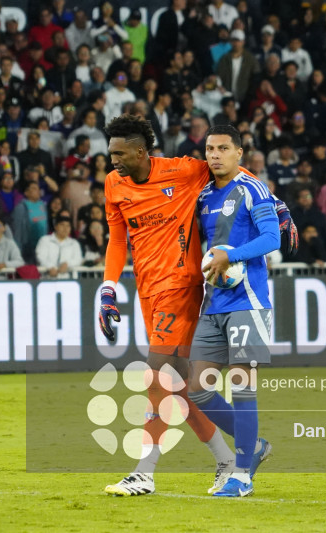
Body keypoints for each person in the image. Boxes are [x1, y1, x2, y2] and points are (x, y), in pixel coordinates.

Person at [100, 115, 296, 497]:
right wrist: (108, 288)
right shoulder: (113, 185)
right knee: (185, 385)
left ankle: (145, 471)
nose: (113, 161)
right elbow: (118, 240)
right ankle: (232, 456)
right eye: (111, 153)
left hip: (182, 286)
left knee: (158, 377)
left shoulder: (184, 171)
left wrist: (279, 205)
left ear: (141, 151)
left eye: (119, 153)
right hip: (147, 290)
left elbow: (236, 176)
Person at [186, 125, 276, 498]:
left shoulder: (252, 189)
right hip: (214, 303)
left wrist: (231, 255)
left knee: (242, 386)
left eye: (224, 148)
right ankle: (252, 445)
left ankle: (242, 474)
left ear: (240, 153)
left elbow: (272, 238)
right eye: (210, 149)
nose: (215, 155)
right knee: (197, 389)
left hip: (249, 301)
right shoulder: (204, 195)